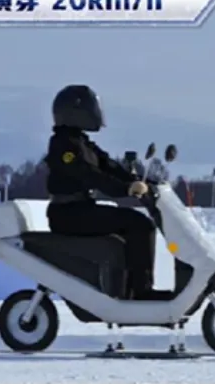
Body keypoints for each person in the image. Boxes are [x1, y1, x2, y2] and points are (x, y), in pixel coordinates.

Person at [43, 84, 159, 299]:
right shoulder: (64, 146)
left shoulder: (80, 141)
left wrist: (144, 182)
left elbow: (108, 166)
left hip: (80, 210)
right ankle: (142, 291)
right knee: (140, 225)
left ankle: (129, 289)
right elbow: (89, 174)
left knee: (135, 225)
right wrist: (125, 188)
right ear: (76, 112)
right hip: (68, 215)